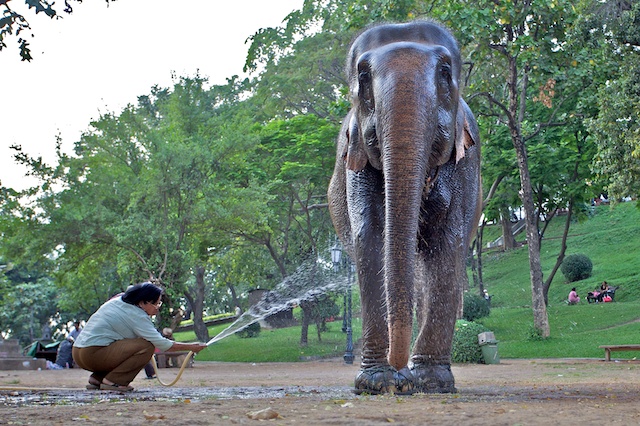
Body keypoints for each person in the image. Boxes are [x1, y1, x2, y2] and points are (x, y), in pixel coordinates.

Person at [72, 282, 207, 392]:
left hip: (79, 352)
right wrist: (192, 347)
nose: (157, 308)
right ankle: (114, 382)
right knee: (146, 346)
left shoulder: (118, 301)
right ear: (142, 302)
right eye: (156, 304)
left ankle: (97, 378)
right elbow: (162, 344)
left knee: (128, 345)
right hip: (92, 354)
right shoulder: (137, 315)